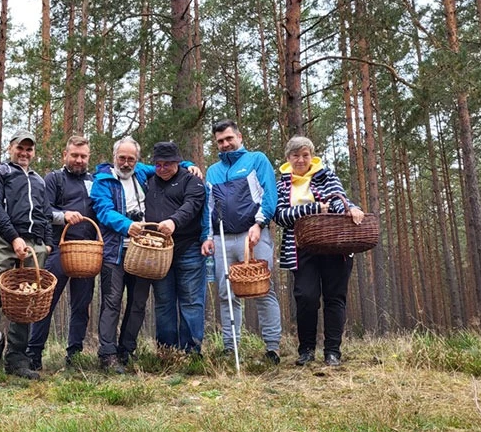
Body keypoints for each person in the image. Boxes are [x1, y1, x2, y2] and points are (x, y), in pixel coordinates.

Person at [91, 137, 201, 372]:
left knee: (138, 303)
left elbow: (169, 164)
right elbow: (103, 211)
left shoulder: (142, 173)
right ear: (114, 157)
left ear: (137, 160)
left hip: (144, 252)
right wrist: (126, 225)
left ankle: (126, 351)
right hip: (115, 252)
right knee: (112, 303)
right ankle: (107, 354)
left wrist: (190, 164)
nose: (126, 163)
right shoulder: (102, 181)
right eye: (122, 158)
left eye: (131, 158)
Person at [273, 136, 364, 367]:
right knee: (306, 297)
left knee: (335, 297)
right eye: (296, 155)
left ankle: (332, 352)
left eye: (305, 155)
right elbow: (281, 216)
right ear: (288, 158)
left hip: (334, 245)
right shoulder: (281, 184)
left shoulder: (326, 175)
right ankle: (306, 350)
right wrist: (313, 208)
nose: (301, 159)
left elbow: (338, 200)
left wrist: (352, 209)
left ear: (312, 156)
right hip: (300, 247)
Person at [0, 130, 53, 385]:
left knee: (27, 301)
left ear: (34, 153)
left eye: (29, 149)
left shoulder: (39, 181)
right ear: (11, 148)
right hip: (5, 242)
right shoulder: (0, 173)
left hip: (35, 246)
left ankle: (17, 360)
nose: (24, 153)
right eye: (21, 148)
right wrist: (13, 238)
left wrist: (47, 244)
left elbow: (45, 213)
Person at [202, 119, 282, 364]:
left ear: (239, 137)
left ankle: (272, 348)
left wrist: (259, 224)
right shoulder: (213, 171)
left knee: (262, 290)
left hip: (253, 236)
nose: (225, 144)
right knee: (227, 294)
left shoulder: (256, 160)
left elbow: (270, 195)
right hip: (222, 239)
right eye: (220, 141)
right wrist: (207, 236)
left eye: (229, 139)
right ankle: (230, 347)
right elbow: (209, 207)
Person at [26, 135, 97, 370]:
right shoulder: (54, 179)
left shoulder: (94, 181)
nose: (78, 160)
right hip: (59, 249)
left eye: (83, 156)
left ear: (88, 157)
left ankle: (74, 356)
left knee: (81, 306)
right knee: (45, 303)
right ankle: (33, 355)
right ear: (65, 155)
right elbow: (43, 211)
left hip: (86, 252)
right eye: (74, 155)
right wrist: (63, 215)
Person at [145, 142, 209, 353]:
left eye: (167, 165)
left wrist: (173, 221)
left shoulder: (192, 181)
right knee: (163, 302)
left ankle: (191, 351)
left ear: (178, 162)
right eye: (158, 165)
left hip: (188, 248)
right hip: (159, 250)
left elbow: (192, 205)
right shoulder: (149, 181)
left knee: (191, 300)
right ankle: (167, 351)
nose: (162, 169)